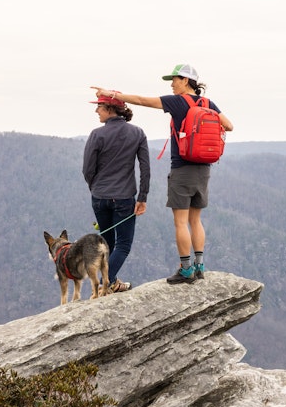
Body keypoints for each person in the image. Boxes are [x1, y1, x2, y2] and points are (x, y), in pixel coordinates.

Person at [91, 63, 233, 284]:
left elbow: (141, 100)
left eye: (174, 80)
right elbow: (229, 125)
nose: (172, 84)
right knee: (196, 220)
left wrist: (111, 94)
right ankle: (200, 265)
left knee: (180, 221)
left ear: (185, 80)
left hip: (182, 168)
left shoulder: (177, 102)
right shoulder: (208, 103)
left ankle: (186, 270)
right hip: (204, 169)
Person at [82, 94, 150, 292]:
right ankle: (106, 282)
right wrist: (142, 197)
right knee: (123, 244)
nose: (96, 111)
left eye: (99, 107)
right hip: (124, 198)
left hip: (100, 197)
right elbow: (145, 169)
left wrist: (95, 188)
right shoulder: (137, 133)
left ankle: (109, 282)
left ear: (110, 109)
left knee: (107, 242)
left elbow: (87, 169)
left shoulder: (97, 135)